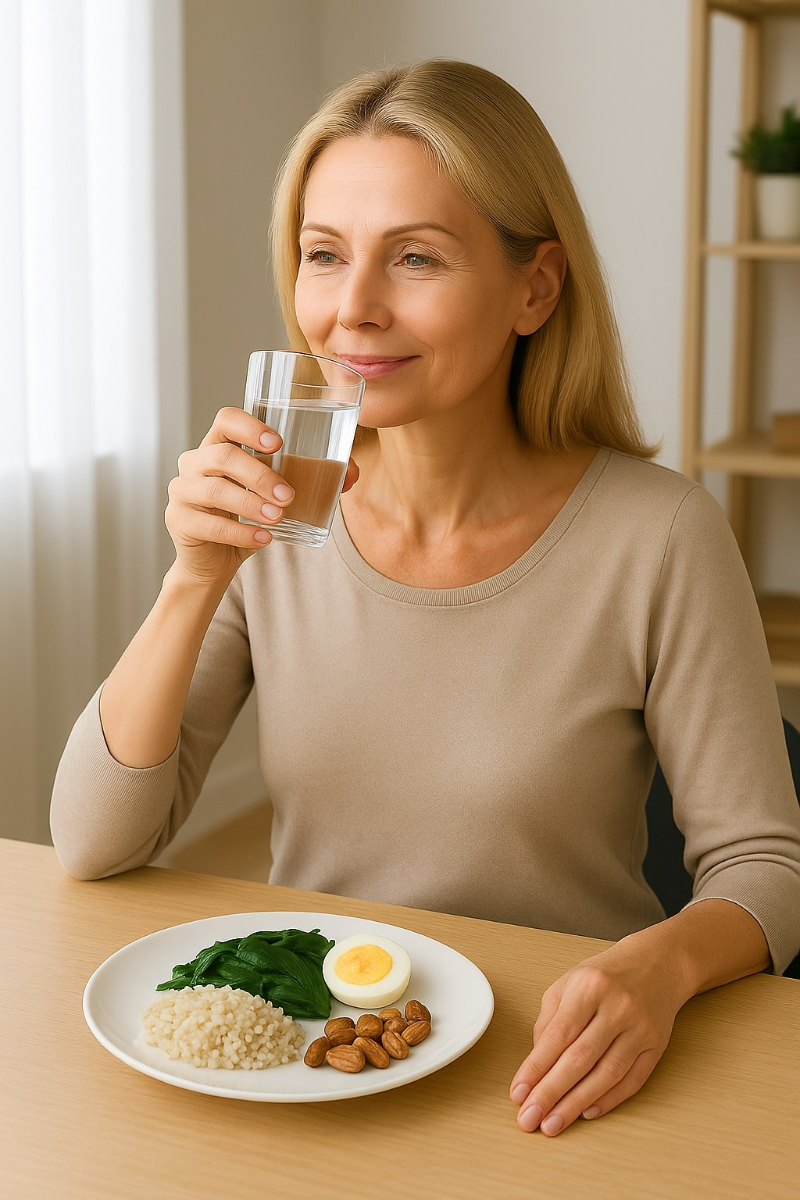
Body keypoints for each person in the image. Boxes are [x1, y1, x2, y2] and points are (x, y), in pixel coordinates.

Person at [50, 59, 800, 1137]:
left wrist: (661, 967)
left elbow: (764, 864)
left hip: (556, 1075)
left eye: (413, 257)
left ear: (534, 288)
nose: (351, 308)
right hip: (324, 1064)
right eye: (323, 256)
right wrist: (192, 579)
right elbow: (92, 839)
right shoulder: (275, 521)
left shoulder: (659, 534)